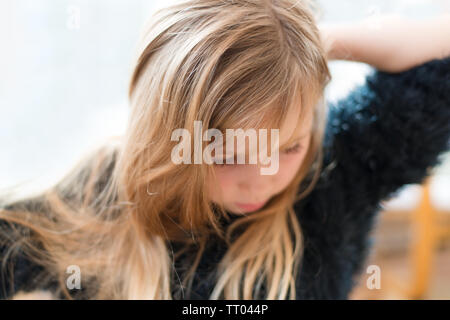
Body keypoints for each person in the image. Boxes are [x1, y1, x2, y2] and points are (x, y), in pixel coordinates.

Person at [1, 0, 449, 300]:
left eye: (289, 147)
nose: (261, 178)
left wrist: (301, 45)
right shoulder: (92, 199)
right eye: (227, 154)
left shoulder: (337, 173)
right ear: (167, 135)